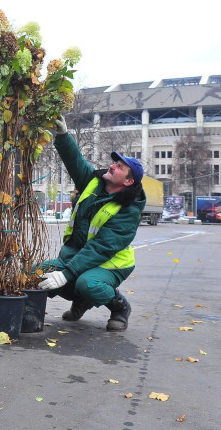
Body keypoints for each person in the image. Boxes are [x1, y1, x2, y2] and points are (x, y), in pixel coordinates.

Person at [38, 116, 146, 331]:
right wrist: (63, 135)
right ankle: (82, 300)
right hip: (78, 256)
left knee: (87, 283)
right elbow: (74, 161)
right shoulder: (93, 182)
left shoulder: (128, 211)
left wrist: (66, 274)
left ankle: (119, 307)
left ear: (128, 181)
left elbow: (101, 248)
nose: (112, 166)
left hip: (111, 263)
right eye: (114, 162)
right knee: (38, 272)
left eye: (119, 166)